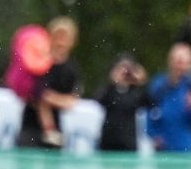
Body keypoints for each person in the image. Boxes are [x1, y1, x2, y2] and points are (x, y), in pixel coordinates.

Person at [16, 17, 81, 149]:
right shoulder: (37, 62)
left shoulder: (71, 69)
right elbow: (27, 92)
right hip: (30, 128)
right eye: (58, 36)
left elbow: (71, 101)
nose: (61, 42)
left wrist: (48, 98)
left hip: (55, 133)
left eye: (65, 38)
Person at [146, 43, 191, 153]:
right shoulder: (159, 84)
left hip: (186, 148)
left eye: (184, 62)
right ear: (170, 61)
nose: (179, 66)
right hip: (162, 148)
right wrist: (153, 134)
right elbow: (148, 112)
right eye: (177, 61)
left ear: (190, 64)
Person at [96, 54, 149, 152]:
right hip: (108, 142)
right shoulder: (110, 90)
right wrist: (114, 81)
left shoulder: (135, 92)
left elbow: (148, 101)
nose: (125, 72)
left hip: (128, 143)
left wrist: (141, 81)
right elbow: (99, 99)